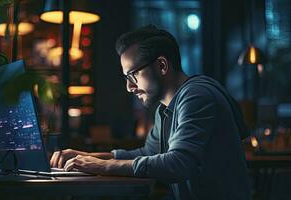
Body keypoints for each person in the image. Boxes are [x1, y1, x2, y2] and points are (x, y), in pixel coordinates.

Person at [50, 25, 252, 199]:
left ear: (162, 65)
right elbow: (149, 154)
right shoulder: (165, 108)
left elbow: (177, 164)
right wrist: (87, 157)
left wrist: (100, 166)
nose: (129, 87)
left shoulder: (197, 96)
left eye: (133, 74)